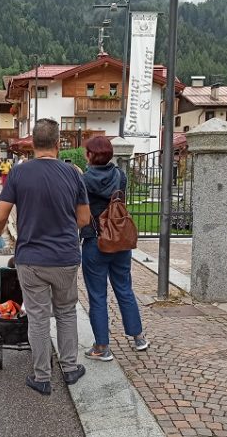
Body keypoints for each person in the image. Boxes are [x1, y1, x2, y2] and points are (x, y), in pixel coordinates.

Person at [0, 118, 91, 395]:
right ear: (59, 144)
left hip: (31, 259)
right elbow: (84, 219)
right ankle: (70, 369)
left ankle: (42, 376)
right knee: (67, 312)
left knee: (38, 316)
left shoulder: (20, 174)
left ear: (33, 143)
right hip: (65, 258)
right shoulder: (73, 175)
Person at [80, 137, 149, 359]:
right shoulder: (120, 176)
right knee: (124, 288)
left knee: (98, 295)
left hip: (95, 241)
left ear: (91, 155)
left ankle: (102, 348)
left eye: (86, 152)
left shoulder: (85, 180)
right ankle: (138, 337)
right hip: (119, 240)